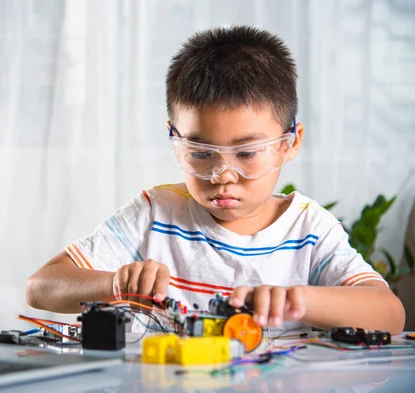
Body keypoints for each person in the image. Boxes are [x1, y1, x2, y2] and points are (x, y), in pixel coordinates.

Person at [25, 25, 405, 334]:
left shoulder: (309, 229)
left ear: (290, 144)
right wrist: (113, 284)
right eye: (201, 154)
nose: (222, 175)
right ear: (176, 142)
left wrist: (299, 300)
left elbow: (390, 314)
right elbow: (40, 288)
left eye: (247, 154)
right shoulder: (155, 214)